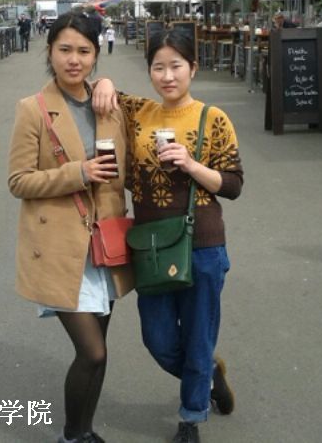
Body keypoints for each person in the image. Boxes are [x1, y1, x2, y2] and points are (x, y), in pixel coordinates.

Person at [92, 30, 244, 443]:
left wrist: (191, 164)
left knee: (198, 335)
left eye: (176, 66)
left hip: (203, 244)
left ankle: (190, 418)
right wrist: (104, 81)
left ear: (193, 68)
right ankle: (209, 376)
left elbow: (233, 184)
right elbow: (98, 90)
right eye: (158, 67)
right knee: (157, 339)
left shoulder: (212, 118)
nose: (167, 76)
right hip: (151, 244)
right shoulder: (139, 112)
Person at [7, 11, 133, 443]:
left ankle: (84, 432)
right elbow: (18, 181)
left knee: (100, 351)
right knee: (91, 352)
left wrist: (109, 84)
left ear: (96, 55)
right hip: (61, 247)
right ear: (50, 52)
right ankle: (71, 435)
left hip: (105, 243)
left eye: (84, 51)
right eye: (65, 50)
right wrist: (79, 172)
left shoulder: (110, 104)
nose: (73, 60)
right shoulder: (33, 109)